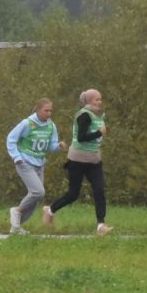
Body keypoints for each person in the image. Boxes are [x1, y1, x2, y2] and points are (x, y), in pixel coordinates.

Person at [45, 87, 110, 235]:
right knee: (73, 194)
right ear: (88, 101)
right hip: (77, 160)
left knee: (99, 191)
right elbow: (81, 137)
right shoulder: (84, 116)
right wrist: (100, 132)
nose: (99, 102)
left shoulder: (99, 115)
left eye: (100, 99)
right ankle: (50, 210)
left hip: (94, 160)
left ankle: (101, 225)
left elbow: (95, 137)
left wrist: (99, 136)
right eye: (96, 99)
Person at [3, 97, 61, 235]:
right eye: (46, 110)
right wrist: (16, 157)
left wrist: (59, 147)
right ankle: (16, 211)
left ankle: (16, 227)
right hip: (25, 162)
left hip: (39, 163)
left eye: (50, 111)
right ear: (38, 109)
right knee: (38, 192)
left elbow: (51, 146)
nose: (49, 113)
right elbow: (11, 139)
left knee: (35, 199)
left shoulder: (51, 126)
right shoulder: (27, 123)